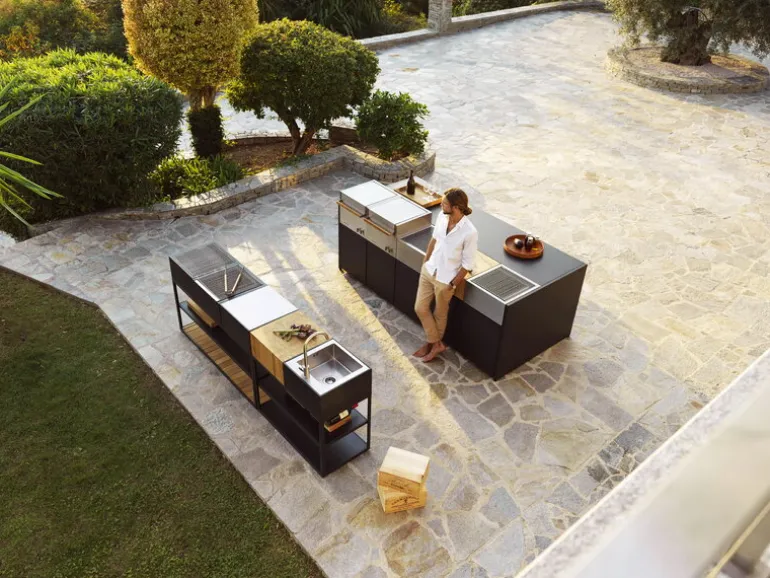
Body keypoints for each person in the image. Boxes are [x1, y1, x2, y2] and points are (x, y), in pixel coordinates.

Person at [413, 188, 478, 363]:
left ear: (456, 207)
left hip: (446, 280)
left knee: (439, 314)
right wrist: (425, 262)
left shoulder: (470, 232)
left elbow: (468, 264)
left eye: (445, 203)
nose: (441, 205)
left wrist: (453, 284)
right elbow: (434, 240)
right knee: (420, 308)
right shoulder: (442, 217)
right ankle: (436, 344)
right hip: (429, 270)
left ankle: (431, 344)